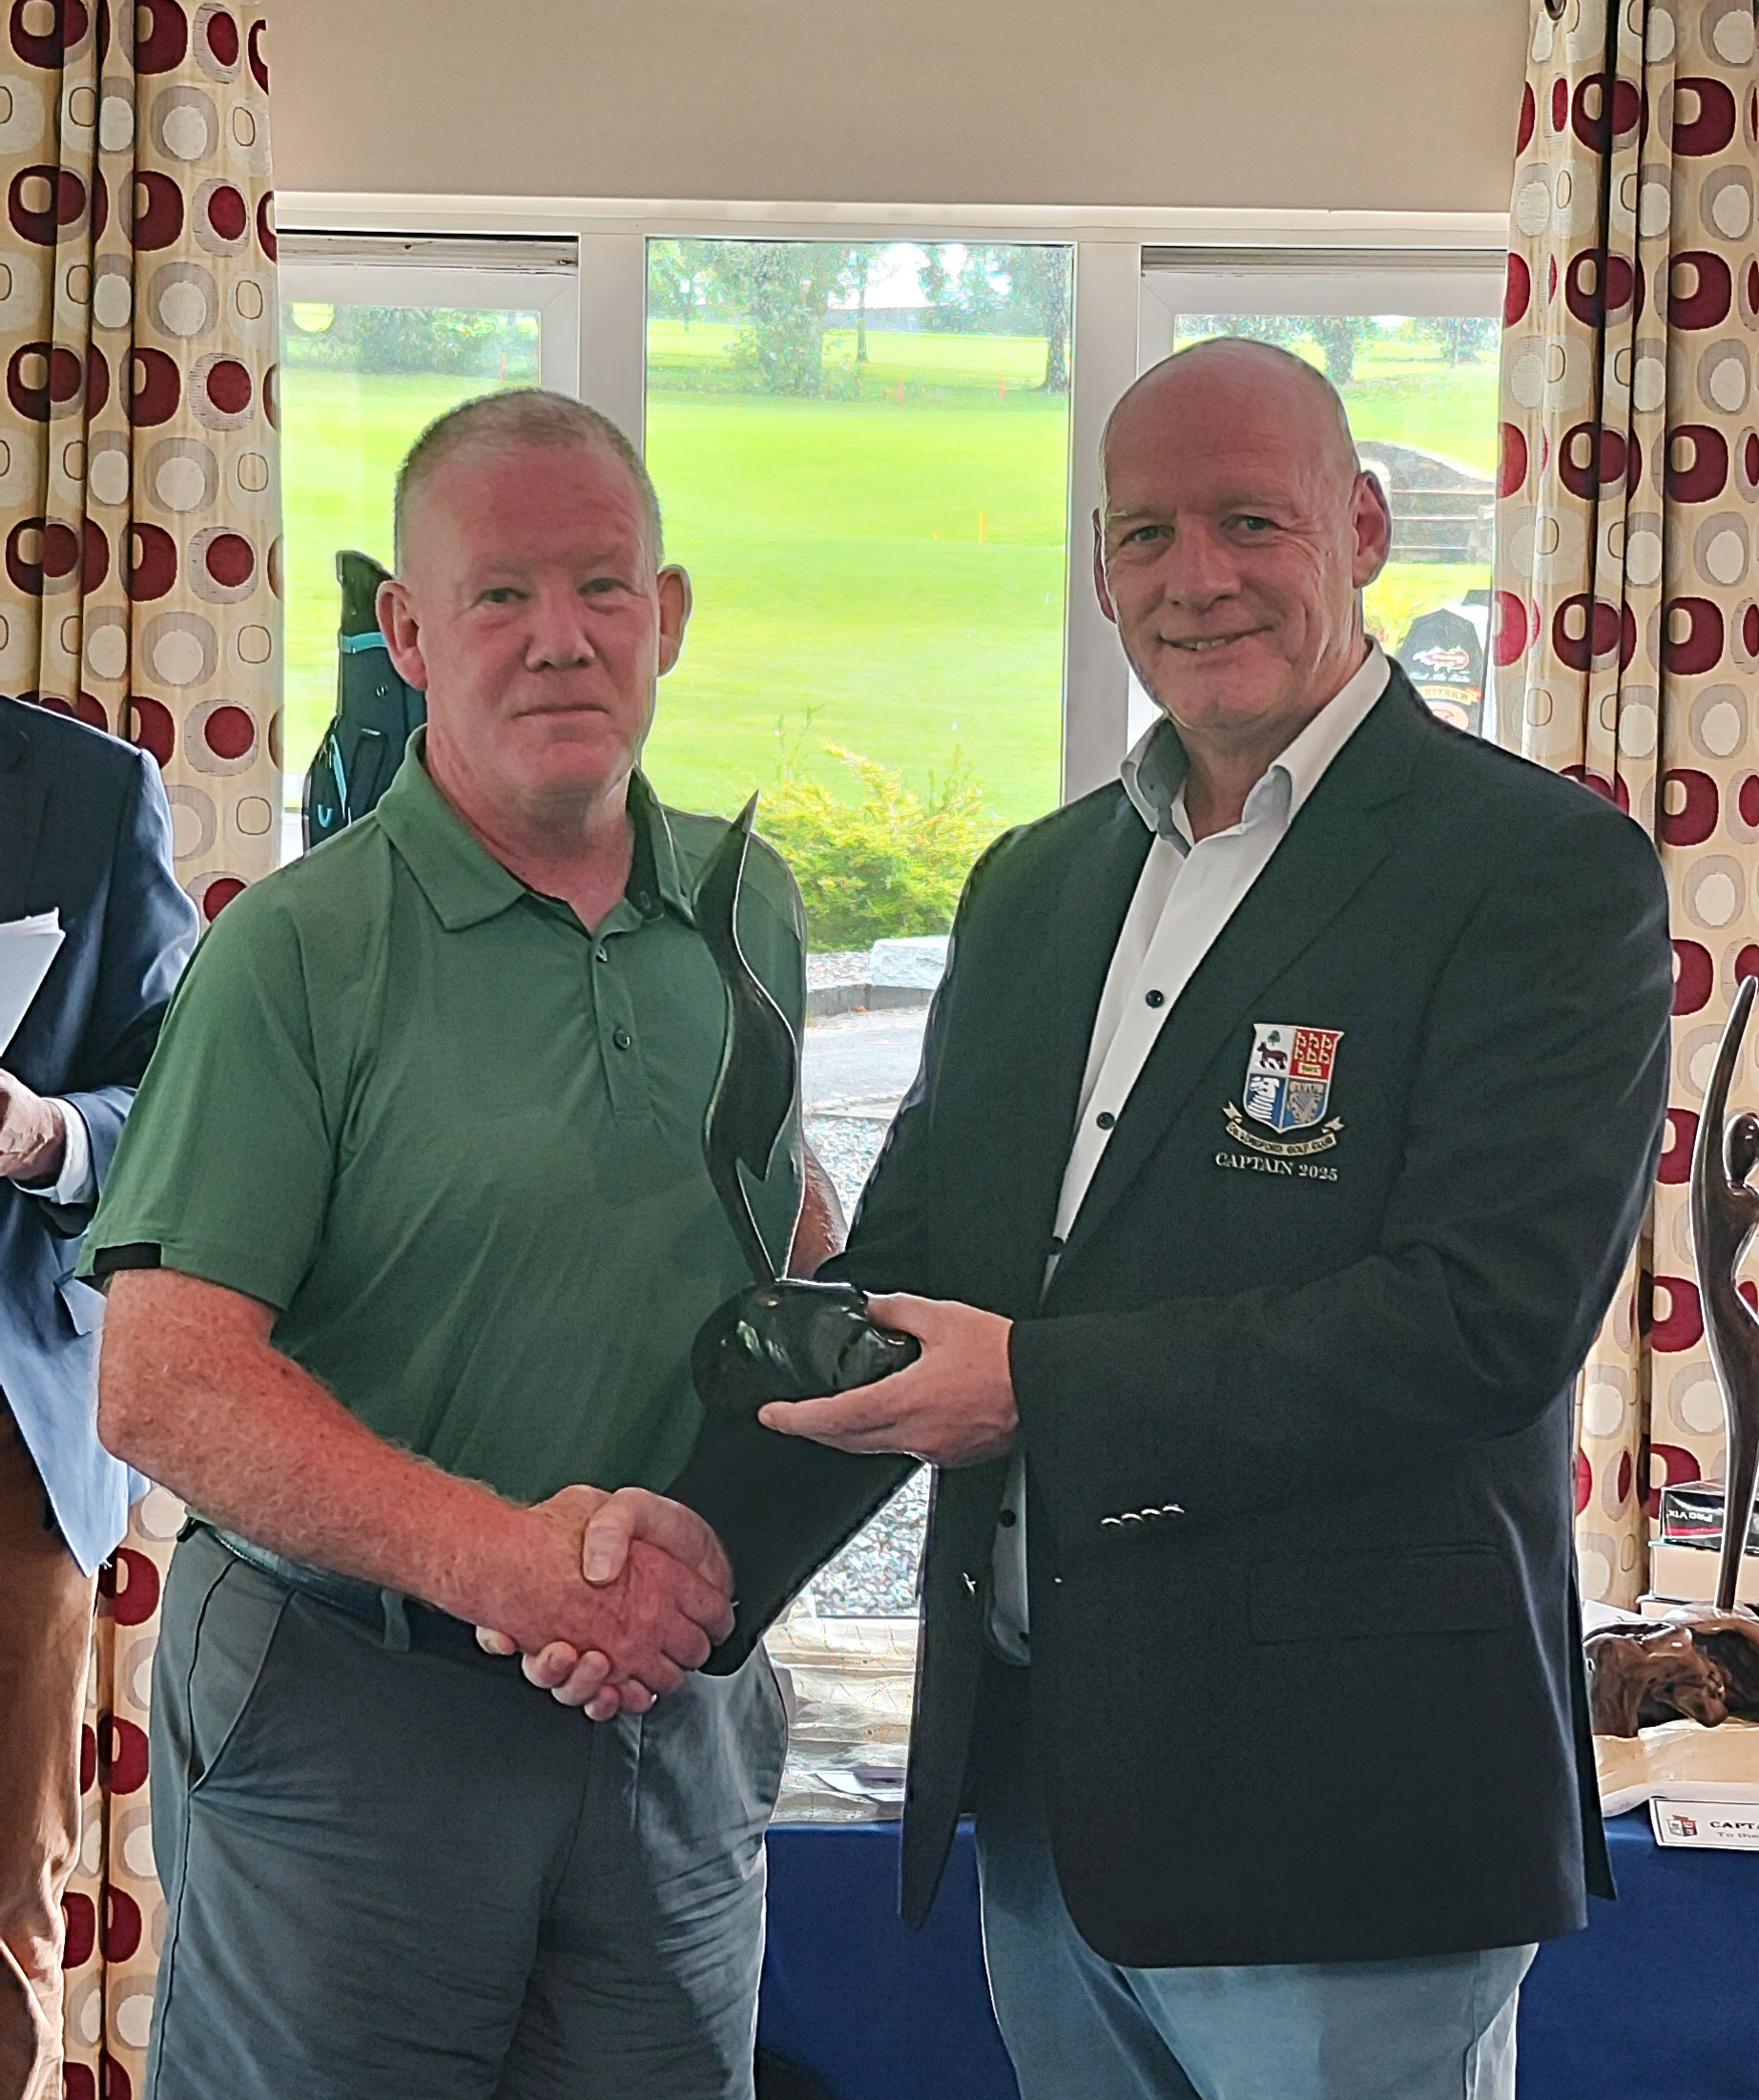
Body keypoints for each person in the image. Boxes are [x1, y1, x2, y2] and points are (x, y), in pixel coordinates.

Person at [555, 340, 1674, 2100]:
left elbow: (1487, 1321)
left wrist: (1043, 1393)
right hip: (1047, 1796)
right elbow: (914, 1283)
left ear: (1363, 526)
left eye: (1252, 520)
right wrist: (704, 1553)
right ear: (1098, 568)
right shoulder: (1032, 883)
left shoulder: (1542, 873)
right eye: (1145, 533)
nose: (1197, 577)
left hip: (1351, 1828)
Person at [84, 389, 839, 2100]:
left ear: (672, 615)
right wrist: (509, 1562)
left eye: (603, 585)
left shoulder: (752, 906)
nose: (561, 638)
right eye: (500, 594)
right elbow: (164, 1380)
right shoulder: (294, 952)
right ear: (408, 635)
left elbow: (781, 1238)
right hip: (357, 1709)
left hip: (672, 1719)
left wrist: (705, 1541)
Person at [0, 697, 197, 2100]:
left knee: (7, 1878)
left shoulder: (91, 789)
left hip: (8, 1415)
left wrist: (44, 1131)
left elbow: (186, 1107)